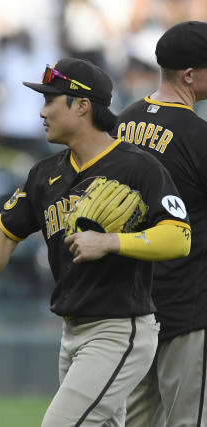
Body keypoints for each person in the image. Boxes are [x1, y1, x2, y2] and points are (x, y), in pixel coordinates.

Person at [0, 58, 192, 426]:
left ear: (82, 105)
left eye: (50, 100)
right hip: (72, 332)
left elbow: (179, 236)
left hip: (119, 328)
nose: (42, 111)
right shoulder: (45, 173)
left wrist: (112, 242)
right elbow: (3, 237)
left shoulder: (138, 167)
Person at [115, 21, 207, 427]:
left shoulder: (122, 123)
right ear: (189, 74)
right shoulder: (198, 135)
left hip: (130, 305)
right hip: (187, 304)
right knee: (186, 420)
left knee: (134, 420)